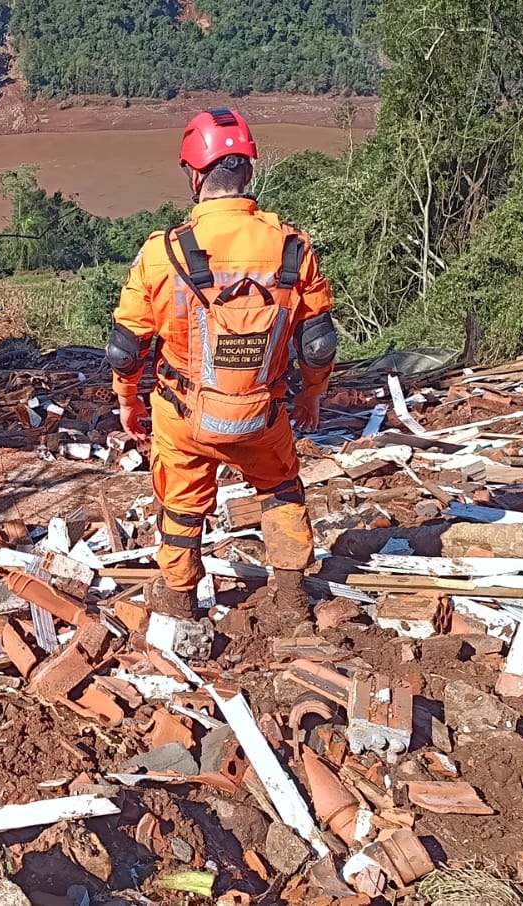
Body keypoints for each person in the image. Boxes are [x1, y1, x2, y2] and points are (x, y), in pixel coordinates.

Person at [105, 109, 337, 622]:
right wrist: (311, 394)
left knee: (182, 505)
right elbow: (318, 342)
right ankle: (292, 599)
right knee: (280, 490)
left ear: (195, 174)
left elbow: (127, 348)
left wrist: (126, 402)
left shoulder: (162, 252)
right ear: (249, 173)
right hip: (262, 414)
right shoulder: (292, 247)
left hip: (183, 416)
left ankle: (181, 601)